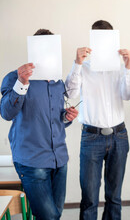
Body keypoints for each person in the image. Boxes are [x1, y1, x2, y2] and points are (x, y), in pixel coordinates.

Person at [0, 29, 78, 220]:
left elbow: (54, 120)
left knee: (55, 214)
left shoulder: (58, 82)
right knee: (49, 217)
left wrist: (66, 118)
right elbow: (6, 113)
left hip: (59, 159)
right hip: (31, 160)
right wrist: (21, 82)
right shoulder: (14, 77)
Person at [65, 20, 130, 220]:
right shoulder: (84, 67)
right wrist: (77, 63)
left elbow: (129, 95)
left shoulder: (120, 67)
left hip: (119, 136)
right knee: (89, 197)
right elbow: (70, 92)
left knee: (115, 196)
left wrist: (129, 66)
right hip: (91, 137)